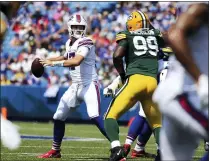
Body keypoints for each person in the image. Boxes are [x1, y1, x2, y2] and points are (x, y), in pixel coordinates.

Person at [38, 14, 109, 158]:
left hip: (89, 84)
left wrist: (54, 63)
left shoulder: (86, 41)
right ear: (70, 27)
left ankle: (117, 147)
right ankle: (55, 150)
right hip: (75, 85)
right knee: (58, 116)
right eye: (75, 27)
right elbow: (66, 57)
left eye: (80, 27)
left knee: (94, 116)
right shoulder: (69, 42)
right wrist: (47, 60)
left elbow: (76, 61)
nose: (77, 30)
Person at [103, 11, 165, 161]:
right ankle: (163, 152)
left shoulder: (127, 35)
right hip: (152, 83)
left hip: (135, 80)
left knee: (109, 116)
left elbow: (117, 55)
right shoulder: (156, 34)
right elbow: (165, 43)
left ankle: (116, 148)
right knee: (157, 122)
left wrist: (123, 74)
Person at [153, 2, 208, 160]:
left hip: (180, 94)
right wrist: (200, 78)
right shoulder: (202, 7)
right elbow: (175, 35)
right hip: (184, 94)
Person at [103, 47, 171, 160]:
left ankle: (135, 147)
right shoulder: (166, 63)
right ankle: (152, 149)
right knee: (154, 121)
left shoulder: (154, 61)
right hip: (156, 92)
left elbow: (126, 74)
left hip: (150, 90)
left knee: (147, 118)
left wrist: (112, 86)